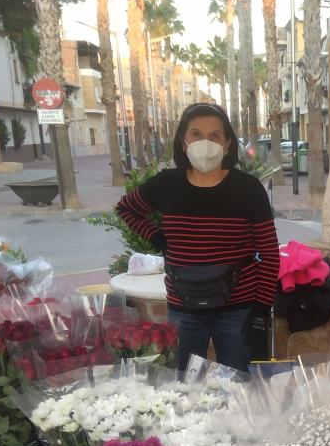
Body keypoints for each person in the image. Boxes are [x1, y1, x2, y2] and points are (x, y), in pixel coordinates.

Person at [116, 103, 279, 372]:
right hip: (185, 309)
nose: (206, 142)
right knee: (184, 382)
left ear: (227, 143)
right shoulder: (166, 185)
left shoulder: (248, 189)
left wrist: (261, 307)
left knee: (236, 384)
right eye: (196, 134)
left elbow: (270, 254)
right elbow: (126, 208)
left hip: (238, 309)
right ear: (183, 142)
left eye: (215, 135)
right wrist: (157, 238)